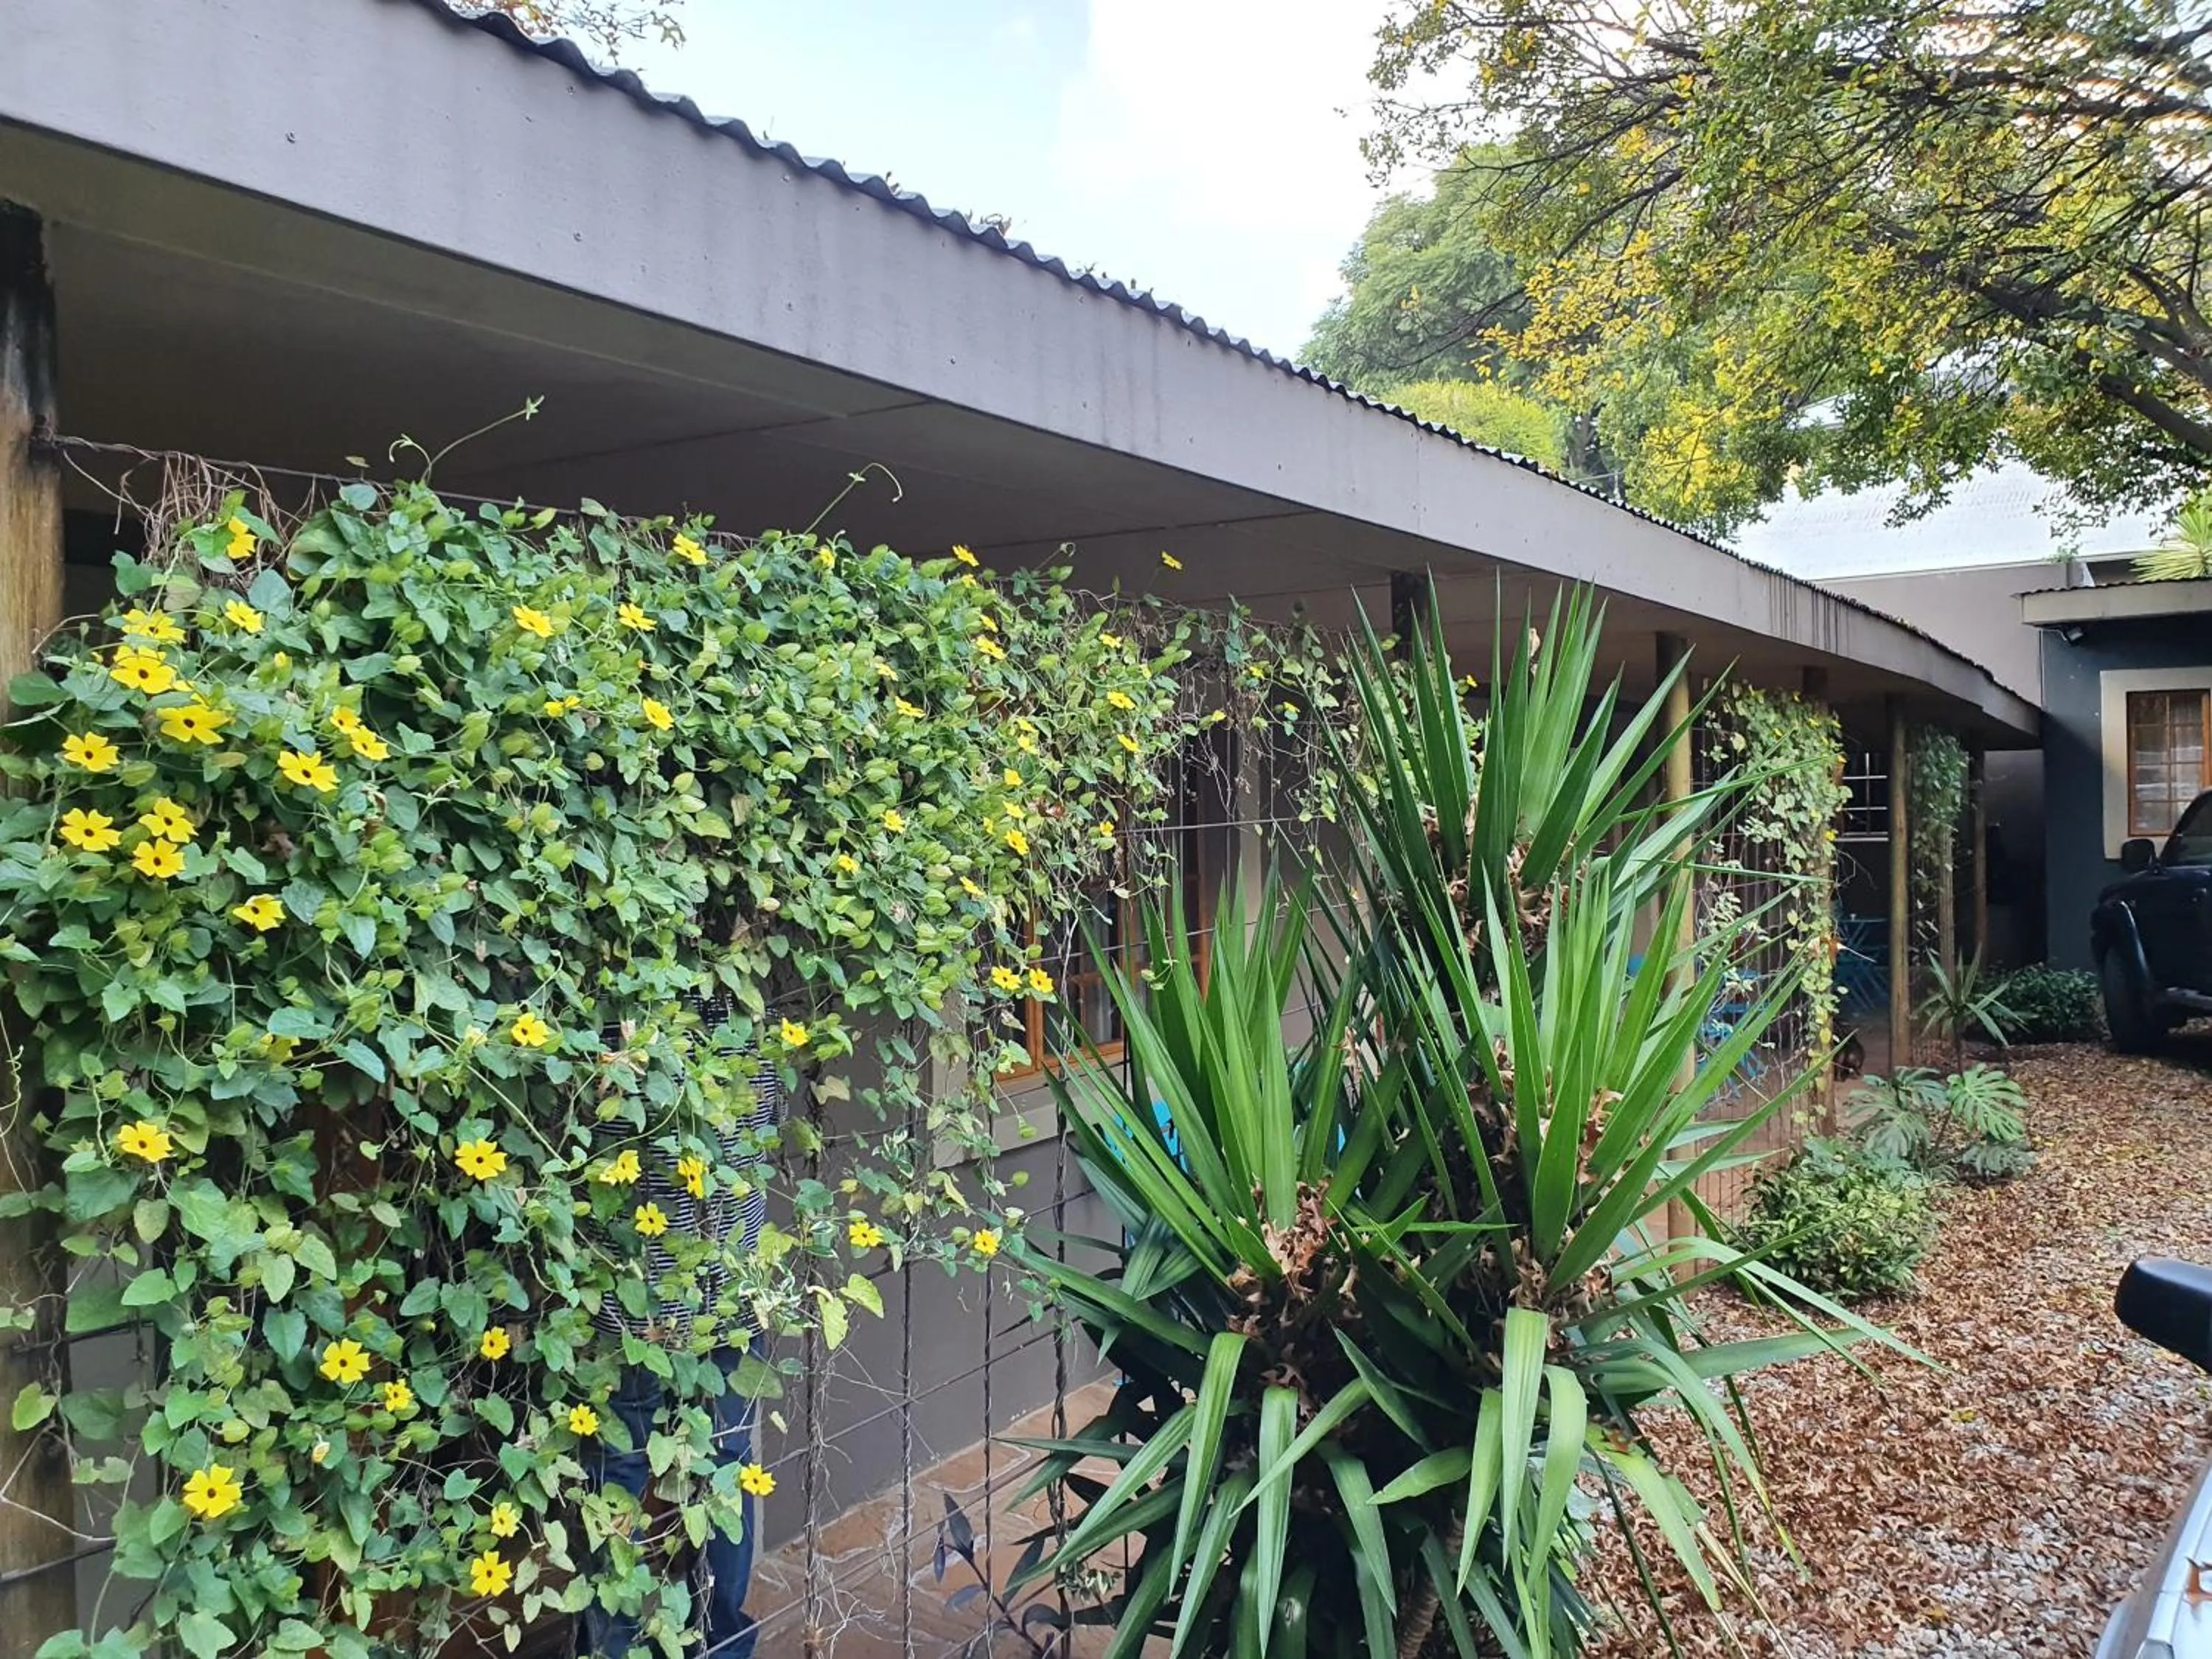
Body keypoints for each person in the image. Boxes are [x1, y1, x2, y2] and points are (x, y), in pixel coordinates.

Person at [579, 993, 780, 1659]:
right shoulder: (750, 1016)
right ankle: (720, 1641)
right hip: (728, 1291)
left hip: (640, 1299)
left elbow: (590, 1145)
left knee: (621, 1470)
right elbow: (767, 1132)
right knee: (727, 1463)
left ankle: (616, 1646)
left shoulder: (619, 1017)